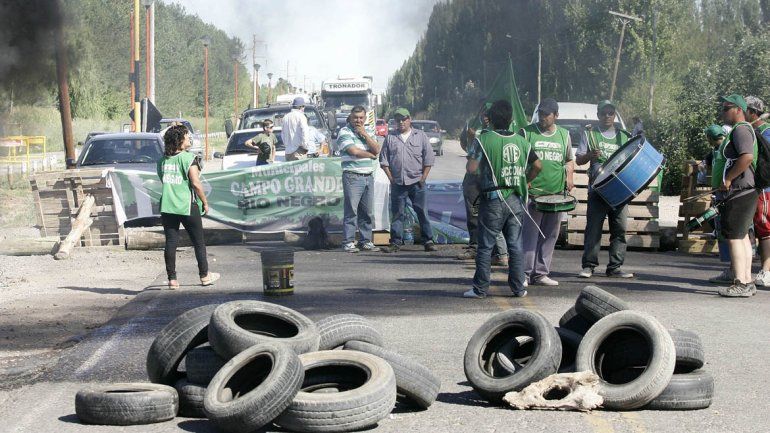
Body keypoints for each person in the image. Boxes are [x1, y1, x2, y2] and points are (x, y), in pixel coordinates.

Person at [463, 100, 542, 299]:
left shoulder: (484, 140)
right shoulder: (523, 142)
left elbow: (471, 168)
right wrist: (526, 180)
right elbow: (538, 165)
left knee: (486, 245)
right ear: (511, 119)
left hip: (493, 198)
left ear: (490, 120)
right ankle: (518, 289)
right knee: (515, 245)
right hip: (516, 198)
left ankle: (480, 289)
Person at [575, 100, 634, 278]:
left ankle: (615, 267)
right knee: (593, 229)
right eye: (603, 113)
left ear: (615, 115)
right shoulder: (590, 134)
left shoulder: (624, 136)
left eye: (610, 113)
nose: (607, 116)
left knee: (620, 229)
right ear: (598, 115)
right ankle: (589, 266)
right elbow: (579, 160)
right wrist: (589, 156)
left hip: (620, 191)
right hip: (598, 191)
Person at [157, 125, 220, 289]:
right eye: (186, 136)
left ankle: (172, 279)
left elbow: (163, 179)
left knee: (171, 242)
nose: (189, 139)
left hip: (167, 206)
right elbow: (196, 183)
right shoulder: (188, 158)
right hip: (187, 206)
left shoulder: (162, 161)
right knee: (198, 242)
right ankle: (205, 275)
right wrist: (205, 202)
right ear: (180, 141)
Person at [520, 98, 574, 286]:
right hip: (533, 193)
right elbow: (519, 160)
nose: (542, 117)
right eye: (540, 113)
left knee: (550, 234)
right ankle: (525, 274)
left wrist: (570, 176)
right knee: (530, 234)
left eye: (546, 114)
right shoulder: (527, 133)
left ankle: (541, 273)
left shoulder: (564, 135)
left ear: (556, 116)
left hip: (556, 194)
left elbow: (568, 159)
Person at [714, 94, 758, 297]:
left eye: (726, 108)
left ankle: (740, 282)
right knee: (742, 238)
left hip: (740, 191)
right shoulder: (742, 130)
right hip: (744, 191)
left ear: (738, 109)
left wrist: (729, 179)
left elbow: (747, 157)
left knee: (734, 237)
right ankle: (747, 282)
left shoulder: (740, 130)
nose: (723, 112)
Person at [379, 108, 438, 253]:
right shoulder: (390, 137)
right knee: (398, 214)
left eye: (403, 119)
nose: (401, 122)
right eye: (398, 119)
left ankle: (428, 241)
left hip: (417, 182)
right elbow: (384, 161)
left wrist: (423, 177)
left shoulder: (421, 136)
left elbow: (429, 159)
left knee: (422, 212)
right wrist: (391, 179)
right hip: (398, 183)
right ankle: (396, 242)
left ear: (409, 119)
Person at [458, 107, 509, 266]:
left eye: (489, 115)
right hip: (474, 178)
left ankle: (498, 252)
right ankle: (474, 246)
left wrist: (476, 138)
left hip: (491, 179)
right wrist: (470, 138)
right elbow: (465, 147)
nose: (485, 117)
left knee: (495, 216)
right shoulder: (471, 126)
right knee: (473, 214)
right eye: (483, 114)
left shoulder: (498, 131)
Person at [337, 105, 382, 253]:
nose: (358, 120)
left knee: (367, 212)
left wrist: (365, 135)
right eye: (355, 118)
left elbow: (376, 149)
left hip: (368, 175)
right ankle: (349, 241)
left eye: (361, 118)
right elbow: (353, 151)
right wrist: (370, 155)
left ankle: (365, 241)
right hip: (352, 175)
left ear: (364, 118)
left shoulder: (368, 130)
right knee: (351, 211)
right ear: (350, 117)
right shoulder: (344, 131)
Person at [745, 96, 770, 287]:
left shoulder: (765, 132)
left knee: (765, 229)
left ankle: (766, 271)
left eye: (744, 110)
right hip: (755, 188)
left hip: (764, 188)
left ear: (753, 112)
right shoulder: (750, 130)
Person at [283, 97, 312, 161]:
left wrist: (287, 145)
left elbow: (283, 134)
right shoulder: (301, 116)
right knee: (302, 170)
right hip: (299, 151)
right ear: (301, 107)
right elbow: (305, 132)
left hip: (288, 152)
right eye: (304, 106)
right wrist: (305, 147)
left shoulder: (286, 117)